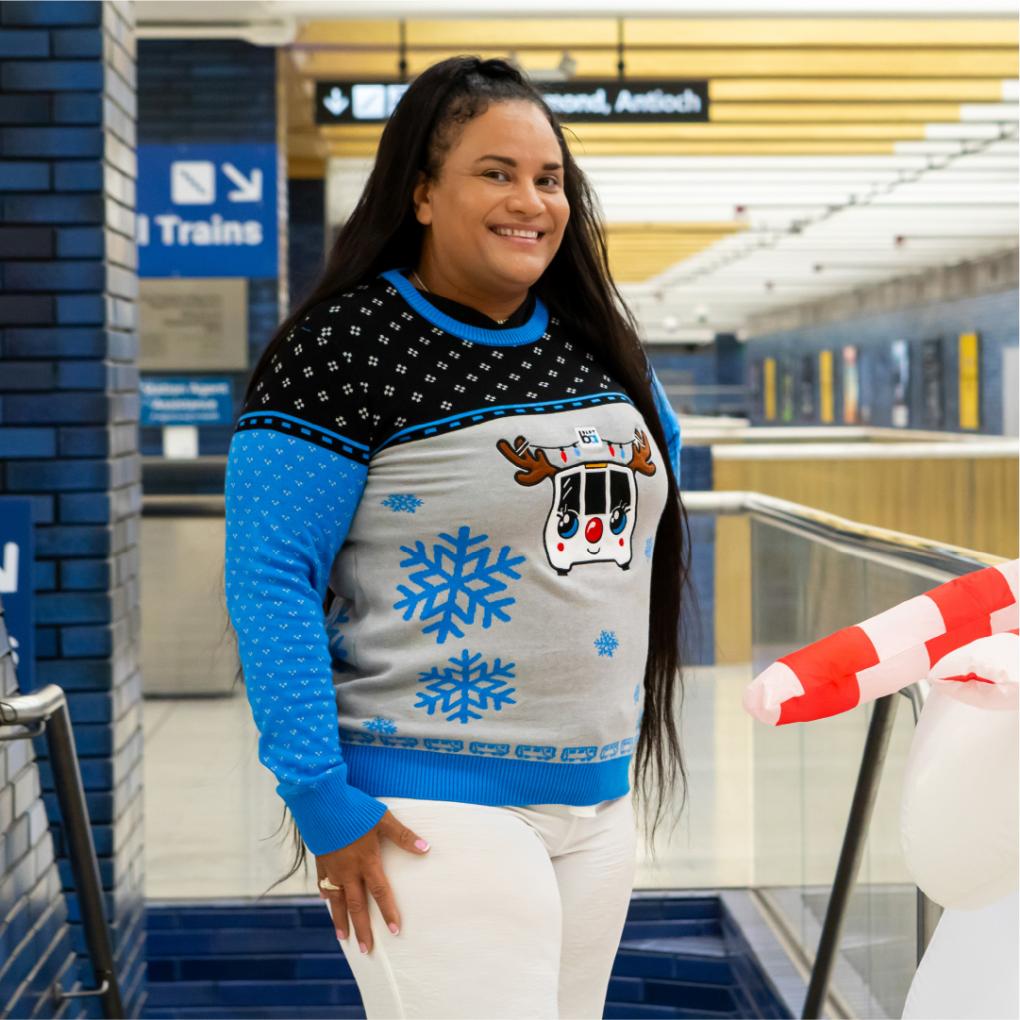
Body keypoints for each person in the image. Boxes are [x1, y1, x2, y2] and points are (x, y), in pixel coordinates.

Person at [224, 54, 692, 1019]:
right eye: (496, 172)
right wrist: (318, 793)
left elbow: (655, 484)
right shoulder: (345, 346)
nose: (532, 200)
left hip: (598, 798)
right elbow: (270, 575)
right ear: (424, 192)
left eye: (550, 178)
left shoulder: (593, 340)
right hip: (430, 805)